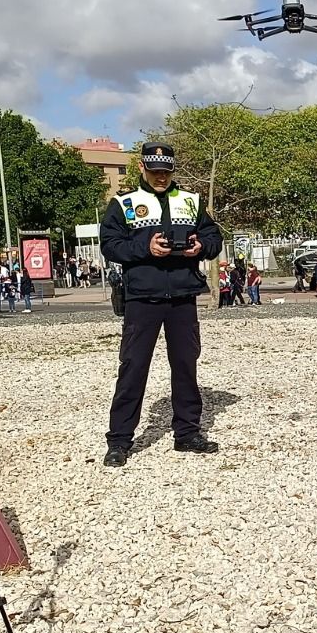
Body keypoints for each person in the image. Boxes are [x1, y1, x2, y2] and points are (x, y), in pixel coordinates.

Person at [100, 141, 222, 467]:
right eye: (154, 171)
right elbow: (110, 245)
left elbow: (214, 238)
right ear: (142, 168)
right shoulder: (124, 203)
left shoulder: (191, 201)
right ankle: (119, 441)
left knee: (185, 366)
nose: (160, 177)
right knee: (133, 368)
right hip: (142, 299)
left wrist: (201, 246)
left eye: (165, 172)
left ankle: (187, 433)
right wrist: (146, 246)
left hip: (183, 297)